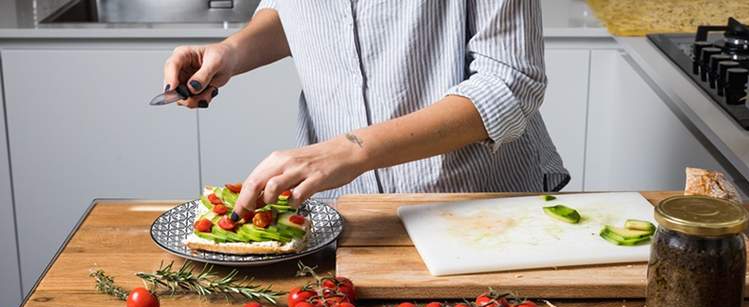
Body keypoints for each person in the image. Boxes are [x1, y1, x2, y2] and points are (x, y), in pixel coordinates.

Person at [162, 0, 568, 219]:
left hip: (475, 206)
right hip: (349, 212)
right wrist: (233, 52)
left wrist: (353, 149)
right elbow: (296, 12)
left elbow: (511, 83)